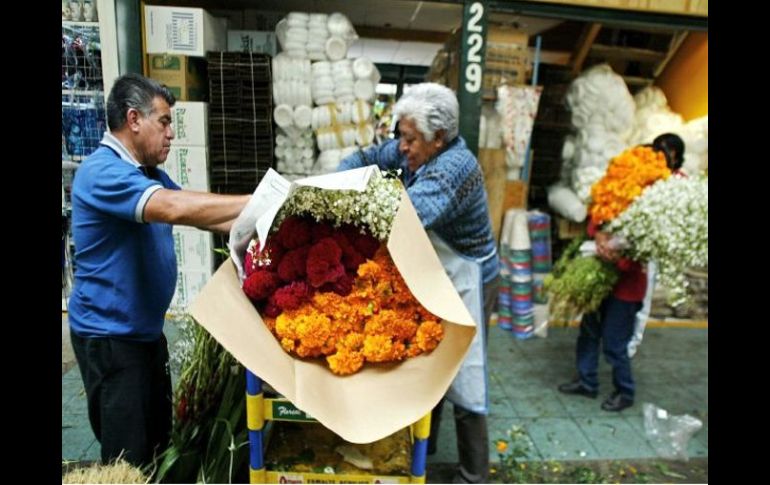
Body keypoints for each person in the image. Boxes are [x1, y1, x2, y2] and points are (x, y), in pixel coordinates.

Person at [68, 73, 253, 468]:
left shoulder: (146, 173)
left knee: (156, 444)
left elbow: (199, 211)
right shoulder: (102, 173)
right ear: (134, 119)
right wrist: (262, 199)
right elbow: (174, 207)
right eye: (164, 122)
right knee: (126, 458)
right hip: (111, 339)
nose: (171, 134)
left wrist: (266, 217)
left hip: (144, 335)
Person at [337, 83, 500, 483]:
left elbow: (401, 217)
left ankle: (474, 474)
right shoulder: (413, 149)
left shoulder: (454, 169)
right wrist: (334, 182)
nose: (402, 147)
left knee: (465, 378)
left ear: (438, 138)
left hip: (469, 278)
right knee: (431, 366)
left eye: (409, 139)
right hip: (436, 270)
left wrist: (336, 213)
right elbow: (367, 156)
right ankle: (424, 454)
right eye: (401, 137)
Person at [627, 133, 686, 358]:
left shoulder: (678, 182)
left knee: (643, 298)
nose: (663, 154)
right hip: (631, 244)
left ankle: (632, 343)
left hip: (652, 250)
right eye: (659, 149)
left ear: (676, 155)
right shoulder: (643, 175)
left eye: (668, 151)